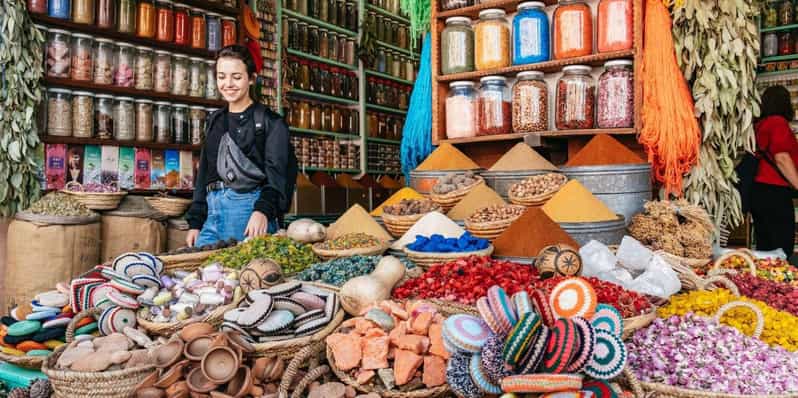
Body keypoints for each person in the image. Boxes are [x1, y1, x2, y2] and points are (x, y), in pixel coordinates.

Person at [185, 45, 296, 247]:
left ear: (251, 78)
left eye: (236, 77)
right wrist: (196, 221)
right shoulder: (215, 120)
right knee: (202, 267)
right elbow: (205, 173)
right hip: (212, 212)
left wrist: (262, 211)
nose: (228, 84)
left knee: (242, 267)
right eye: (221, 77)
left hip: (247, 211)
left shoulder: (271, 122)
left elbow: (278, 175)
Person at [751, 85, 798, 255]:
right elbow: (781, 158)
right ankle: (780, 272)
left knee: (766, 244)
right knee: (782, 246)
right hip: (775, 191)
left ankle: (765, 272)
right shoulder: (778, 122)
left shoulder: (759, 125)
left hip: (758, 192)